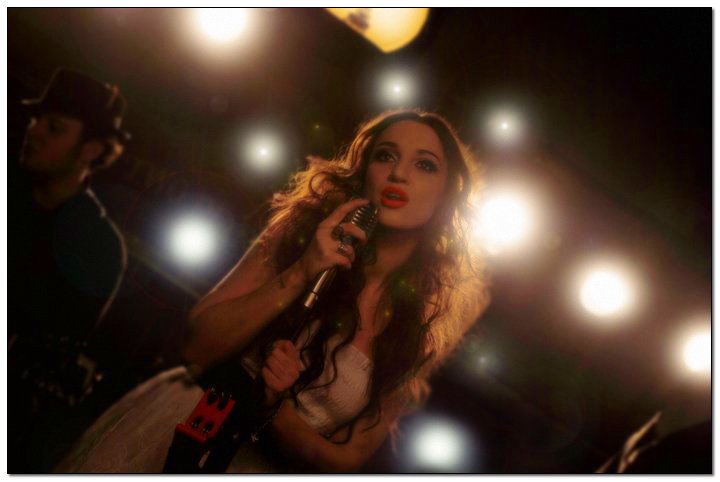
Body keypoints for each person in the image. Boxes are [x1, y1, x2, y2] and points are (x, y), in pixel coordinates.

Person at [56, 109, 490, 473]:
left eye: (424, 164)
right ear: (365, 172)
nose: (398, 173)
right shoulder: (302, 234)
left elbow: (349, 458)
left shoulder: (419, 324)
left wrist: (275, 407)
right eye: (385, 156)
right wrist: (303, 269)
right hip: (183, 431)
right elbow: (196, 346)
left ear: (447, 195)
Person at [8, 67, 131, 473]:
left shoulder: (96, 247)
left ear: (91, 150)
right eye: (37, 119)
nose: (34, 131)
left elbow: (50, 358)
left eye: (55, 127)